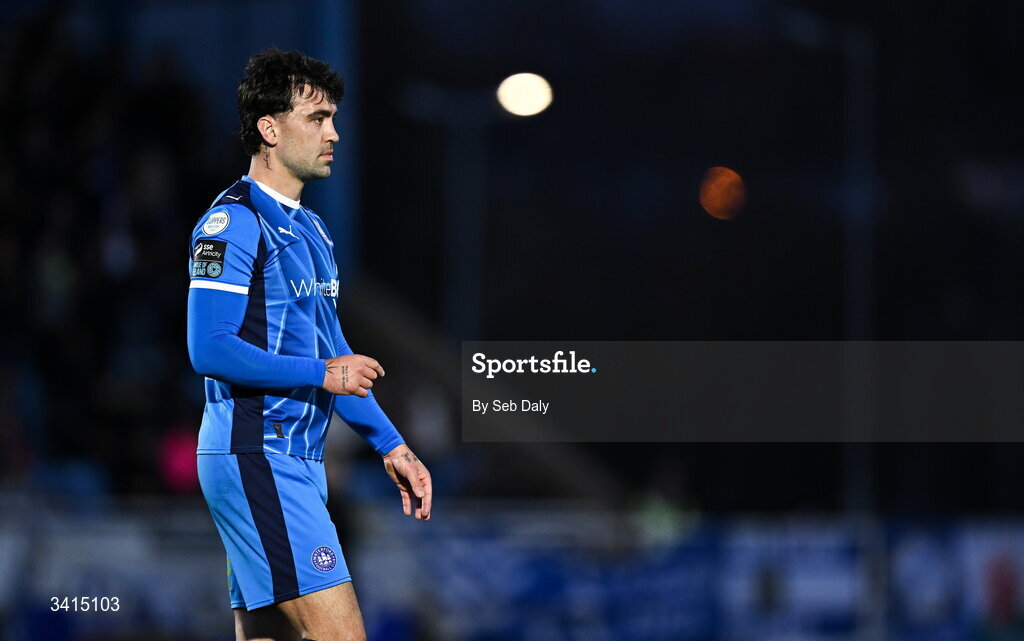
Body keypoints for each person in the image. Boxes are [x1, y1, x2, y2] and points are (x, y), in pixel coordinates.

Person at [187, 48, 432, 641]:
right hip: (256, 454)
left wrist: (391, 443)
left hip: (294, 460)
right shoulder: (232, 223)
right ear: (269, 130)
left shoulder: (314, 230)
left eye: (333, 117)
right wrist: (324, 373)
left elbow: (334, 353)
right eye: (317, 118)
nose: (334, 133)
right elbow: (209, 348)